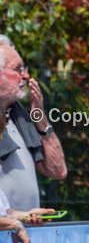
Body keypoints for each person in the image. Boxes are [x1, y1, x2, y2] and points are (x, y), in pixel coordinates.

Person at [0, 35, 67, 212]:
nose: (26, 76)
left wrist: (39, 116)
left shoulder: (17, 115)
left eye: (25, 68)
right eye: (18, 69)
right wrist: (16, 219)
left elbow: (57, 171)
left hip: (25, 233)